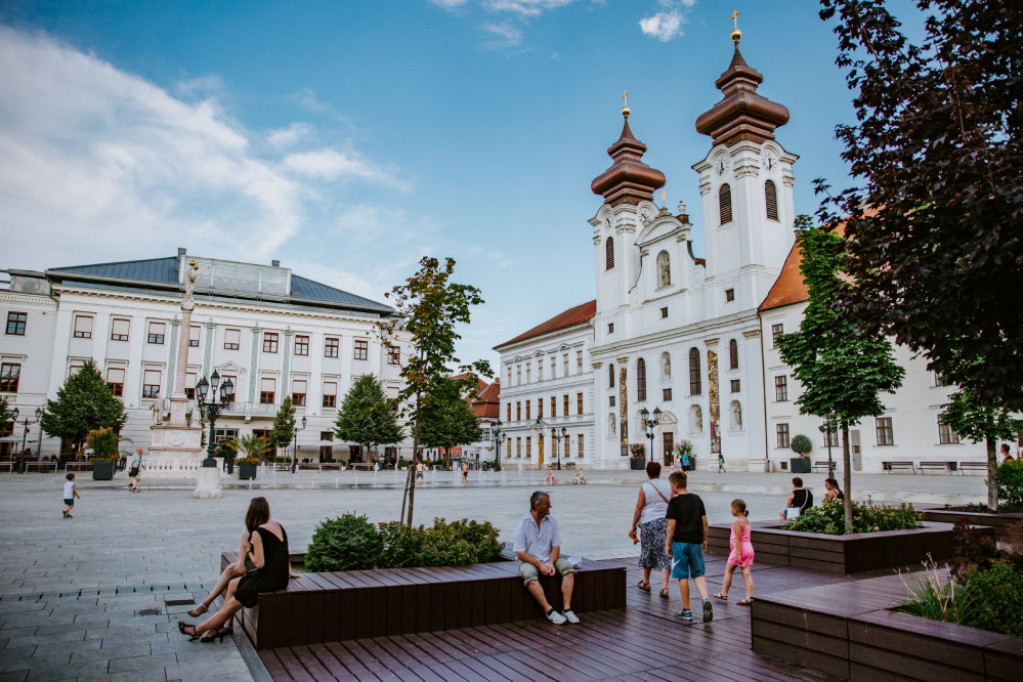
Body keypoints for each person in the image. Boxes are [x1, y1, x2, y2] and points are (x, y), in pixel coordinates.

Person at [178, 497, 290, 642]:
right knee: (232, 584)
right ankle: (223, 626)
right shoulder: (278, 525)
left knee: (232, 604)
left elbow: (259, 563)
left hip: (268, 580)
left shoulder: (258, 532)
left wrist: (249, 550)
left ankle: (197, 630)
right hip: (279, 577)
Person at [513, 491, 579, 625]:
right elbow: (520, 553)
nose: (550, 506)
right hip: (529, 560)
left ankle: (567, 609)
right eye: (547, 504)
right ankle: (549, 610)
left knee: (568, 569)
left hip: (549, 558)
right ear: (537, 506)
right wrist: (539, 565)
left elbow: (556, 546)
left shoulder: (551, 521)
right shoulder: (523, 524)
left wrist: (551, 563)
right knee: (529, 575)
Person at [665, 471, 712, 623]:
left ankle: (687, 610)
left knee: (682, 575)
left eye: (671, 484)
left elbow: (671, 525)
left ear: (675, 485)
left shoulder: (674, 502)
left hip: (681, 543)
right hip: (696, 542)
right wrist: (704, 540)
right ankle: (705, 599)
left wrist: (667, 543)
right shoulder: (697, 499)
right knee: (698, 573)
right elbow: (705, 522)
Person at [629, 461, 672, 598]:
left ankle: (646, 581)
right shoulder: (668, 485)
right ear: (659, 472)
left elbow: (639, 507)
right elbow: (674, 503)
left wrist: (633, 525)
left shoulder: (645, 487)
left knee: (647, 550)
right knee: (666, 552)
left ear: (647, 472)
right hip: (666, 522)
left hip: (649, 522)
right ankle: (665, 586)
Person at [714, 499, 754, 605]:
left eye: (731, 509)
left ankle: (724, 593)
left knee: (728, 570)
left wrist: (738, 554)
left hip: (740, 549)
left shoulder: (737, 523)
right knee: (746, 574)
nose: (731, 510)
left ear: (736, 510)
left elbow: (738, 539)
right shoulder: (746, 520)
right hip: (749, 549)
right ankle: (749, 597)